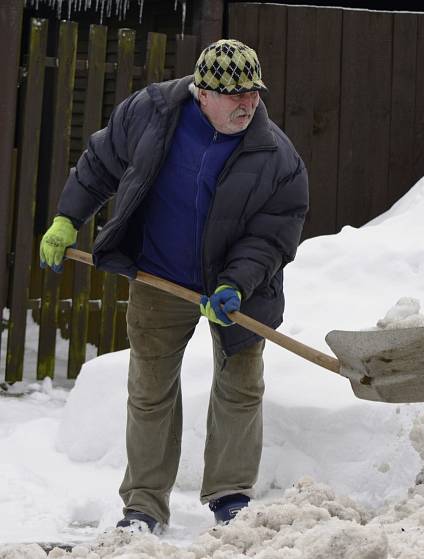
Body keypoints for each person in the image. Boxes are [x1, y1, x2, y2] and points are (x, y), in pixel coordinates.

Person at [38, 39, 309, 533]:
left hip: (240, 291)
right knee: (150, 390)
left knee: (240, 387)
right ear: (201, 92)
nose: (246, 103)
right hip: (159, 277)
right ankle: (143, 505)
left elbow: (273, 235)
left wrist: (237, 285)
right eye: (233, 94)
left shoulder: (276, 156)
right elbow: (101, 161)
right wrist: (66, 217)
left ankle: (231, 498)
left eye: (253, 92)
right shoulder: (154, 112)